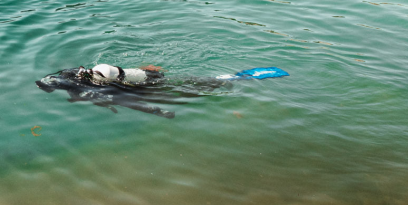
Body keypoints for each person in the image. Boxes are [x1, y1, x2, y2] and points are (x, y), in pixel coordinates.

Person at [36, 63, 289, 118]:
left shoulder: (92, 86)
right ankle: (225, 78)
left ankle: (229, 79)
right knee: (179, 82)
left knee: (182, 87)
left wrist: (159, 111)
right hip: (139, 76)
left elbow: (129, 102)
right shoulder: (78, 73)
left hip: (144, 83)